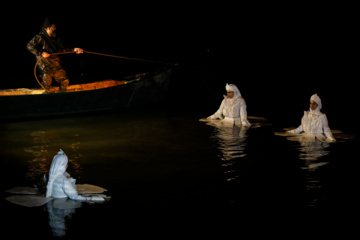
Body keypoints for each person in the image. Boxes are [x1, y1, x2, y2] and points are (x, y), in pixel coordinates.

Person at [27, 18, 84, 92]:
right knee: (46, 83)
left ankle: (61, 97)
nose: (55, 28)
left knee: (65, 81)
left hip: (55, 64)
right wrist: (41, 53)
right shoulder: (40, 37)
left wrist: (73, 50)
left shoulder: (56, 38)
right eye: (53, 27)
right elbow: (29, 45)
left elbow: (62, 50)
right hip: (45, 65)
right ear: (48, 28)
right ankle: (44, 98)